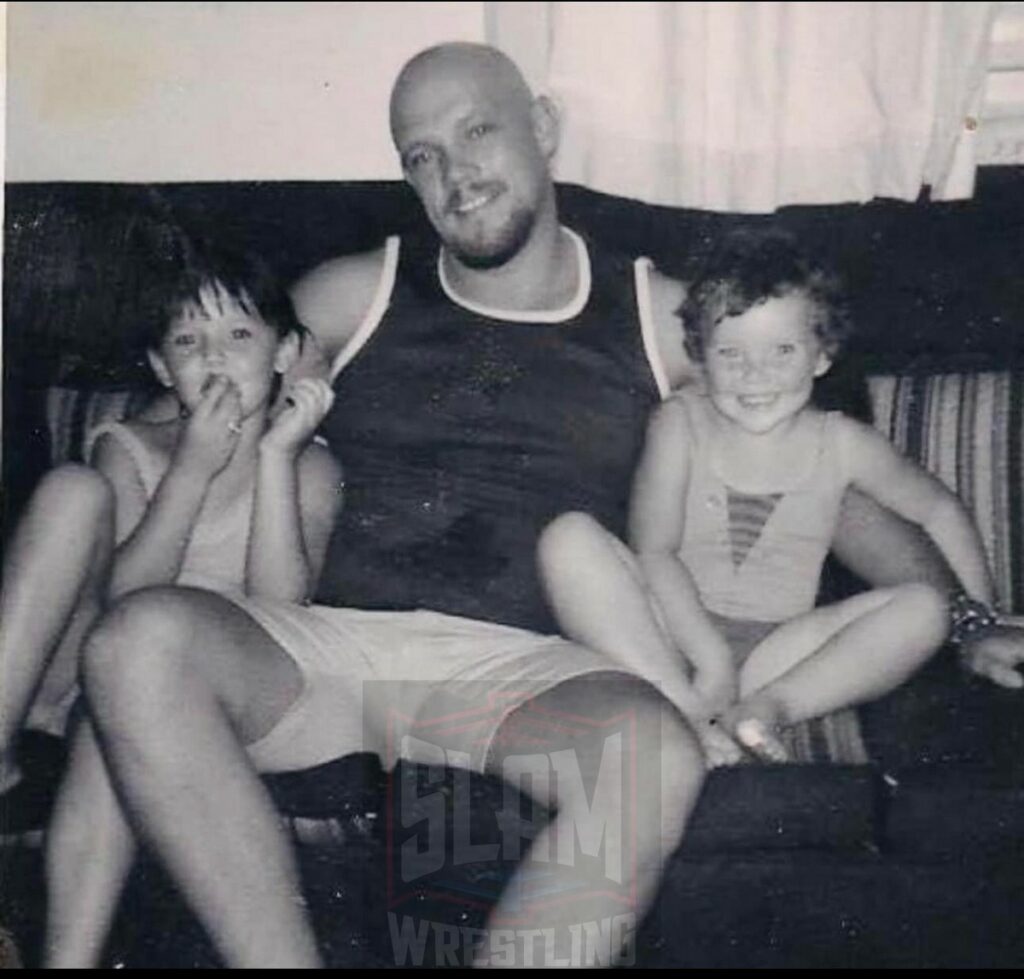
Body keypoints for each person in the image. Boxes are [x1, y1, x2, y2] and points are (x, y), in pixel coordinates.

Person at [48, 42, 1022, 969]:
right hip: (330, 651)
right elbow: (181, 420)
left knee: (650, 754)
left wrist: (968, 619)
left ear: (544, 127)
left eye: (478, 133)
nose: (454, 175)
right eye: (421, 156)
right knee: (138, 641)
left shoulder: (659, 314)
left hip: (527, 674)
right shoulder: (354, 292)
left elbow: (816, 470)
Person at [538, 228, 1006, 765]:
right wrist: (707, 654)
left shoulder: (846, 443)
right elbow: (654, 551)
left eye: (782, 350)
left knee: (924, 607)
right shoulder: (680, 422)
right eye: (730, 353)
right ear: (700, 356)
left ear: (822, 356)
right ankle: (684, 710)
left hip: (778, 652)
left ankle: (766, 711)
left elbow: (938, 509)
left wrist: (982, 623)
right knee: (567, 537)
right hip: (670, 634)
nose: (754, 375)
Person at [12, 239, 341, 962]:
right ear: (162, 367)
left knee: (122, 700)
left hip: (207, 689)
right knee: (72, 496)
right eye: (188, 340)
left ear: (286, 352)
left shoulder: (308, 465)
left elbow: (280, 610)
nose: (215, 357)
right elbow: (122, 595)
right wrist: (189, 468)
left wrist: (276, 458)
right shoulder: (129, 444)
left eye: (240, 335)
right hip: (90, 658)